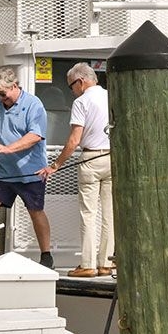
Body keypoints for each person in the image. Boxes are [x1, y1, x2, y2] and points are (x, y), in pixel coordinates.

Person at [41, 63, 112, 278]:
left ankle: (88, 264)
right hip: (111, 157)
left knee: (88, 214)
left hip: (91, 158)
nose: (72, 91)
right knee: (109, 214)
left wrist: (55, 165)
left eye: (71, 86)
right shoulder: (111, 96)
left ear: (80, 82)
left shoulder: (81, 102)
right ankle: (106, 263)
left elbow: (74, 140)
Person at [0, 67, 54, 269]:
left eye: (3, 94)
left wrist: (7, 149)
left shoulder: (34, 104)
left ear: (15, 86)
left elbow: (35, 136)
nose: (1, 98)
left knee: (35, 211)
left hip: (30, 171)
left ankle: (46, 255)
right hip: (3, 172)